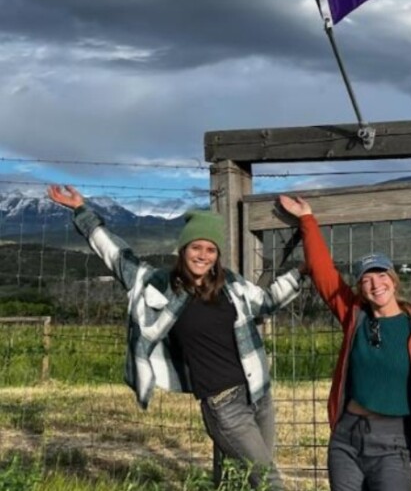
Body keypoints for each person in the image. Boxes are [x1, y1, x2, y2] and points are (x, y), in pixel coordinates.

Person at [47, 184, 302, 490]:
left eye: (210, 250)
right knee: (270, 481)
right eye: (196, 247)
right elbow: (117, 257)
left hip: (259, 394)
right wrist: (81, 210)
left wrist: (303, 271)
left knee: (245, 480)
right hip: (223, 403)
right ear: (183, 249)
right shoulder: (159, 285)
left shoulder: (231, 285)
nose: (203, 256)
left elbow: (267, 301)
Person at [277, 194, 411, 491]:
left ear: (393, 280)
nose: (376, 284)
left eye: (381, 276)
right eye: (366, 280)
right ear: (360, 287)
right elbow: (324, 275)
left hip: (394, 442)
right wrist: (307, 219)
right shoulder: (355, 316)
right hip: (346, 437)